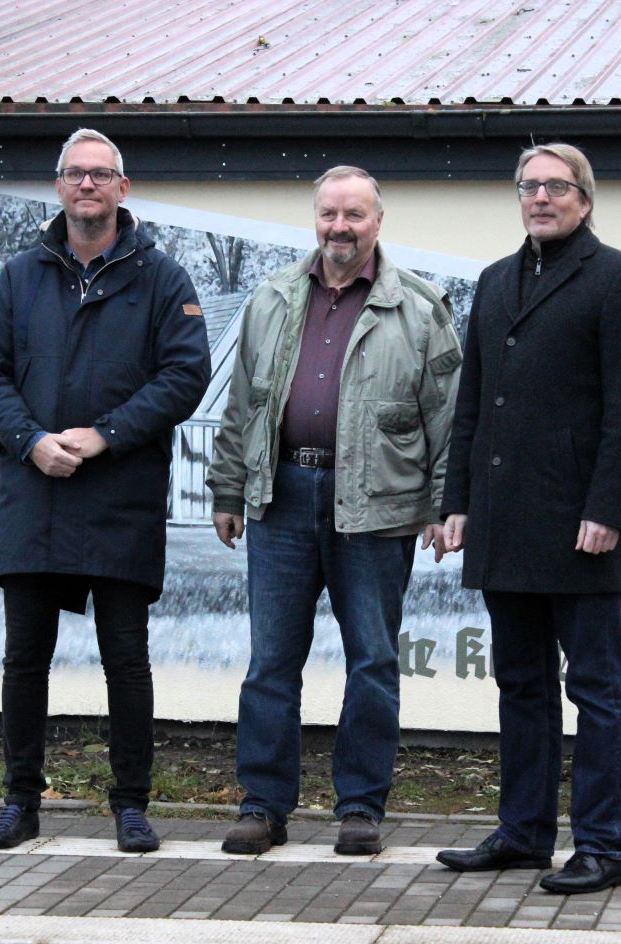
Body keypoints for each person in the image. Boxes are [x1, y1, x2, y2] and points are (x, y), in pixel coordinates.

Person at [0, 128, 210, 853]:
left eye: (101, 174)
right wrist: (30, 440)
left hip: (121, 495)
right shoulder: (20, 276)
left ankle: (131, 805)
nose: (87, 185)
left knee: (125, 660)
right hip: (35, 494)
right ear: (58, 186)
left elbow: (185, 376)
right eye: (75, 174)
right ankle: (20, 802)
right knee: (24, 660)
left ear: (122, 188)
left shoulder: (163, 278)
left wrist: (106, 434)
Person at [206, 166, 462, 856]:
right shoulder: (272, 298)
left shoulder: (420, 308)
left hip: (377, 508)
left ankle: (360, 808)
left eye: (353, 215)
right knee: (270, 662)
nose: (339, 227)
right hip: (282, 497)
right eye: (329, 214)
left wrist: (444, 506)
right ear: (315, 219)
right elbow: (243, 405)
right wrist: (228, 490)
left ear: (378, 221)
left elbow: (448, 418)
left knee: (372, 660)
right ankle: (263, 806)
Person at [436, 143, 621, 893]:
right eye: (528, 186)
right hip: (503, 521)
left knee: (595, 689)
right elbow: (473, 403)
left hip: (578, 524)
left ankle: (601, 847)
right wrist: (457, 502)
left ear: (584, 200)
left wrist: (608, 509)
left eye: (556, 187)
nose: (540, 197)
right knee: (520, 685)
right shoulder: (494, 281)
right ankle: (524, 833)